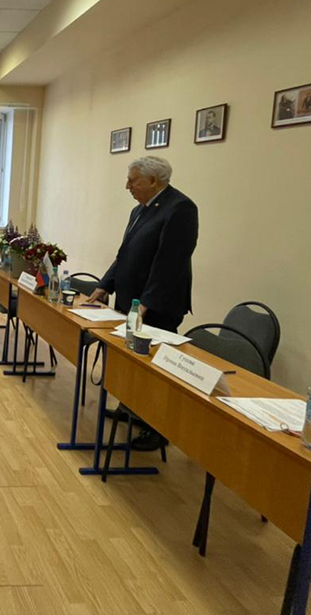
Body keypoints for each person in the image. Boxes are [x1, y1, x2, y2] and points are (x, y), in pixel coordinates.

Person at [86, 156, 198, 451]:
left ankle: (157, 429)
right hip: (132, 301)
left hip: (157, 307)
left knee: (153, 367)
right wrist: (104, 285)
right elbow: (125, 255)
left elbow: (170, 264)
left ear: (153, 180)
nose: (127, 186)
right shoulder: (140, 210)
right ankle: (131, 409)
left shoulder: (181, 209)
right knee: (130, 360)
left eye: (133, 180)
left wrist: (146, 304)